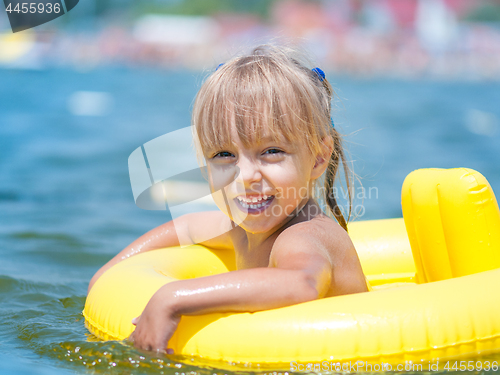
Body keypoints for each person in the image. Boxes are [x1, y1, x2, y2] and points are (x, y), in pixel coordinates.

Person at [87, 45, 368, 353]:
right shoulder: (242, 228)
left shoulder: (304, 234)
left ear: (318, 157)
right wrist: (109, 273)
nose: (245, 175)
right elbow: (188, 227)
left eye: (271, 151)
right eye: (224, 155)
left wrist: (173, 296)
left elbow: (302, 283)